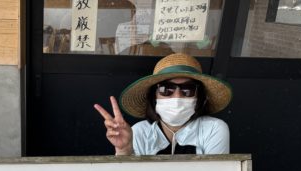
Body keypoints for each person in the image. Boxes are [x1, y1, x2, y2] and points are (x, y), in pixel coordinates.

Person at [94, 53, 232, 156]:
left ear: (199, 97)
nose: (177, 97)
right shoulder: (139, 132)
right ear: (154, 96)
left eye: (188, 89)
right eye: (166, 89)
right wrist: (124, 150)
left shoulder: (213, 129)